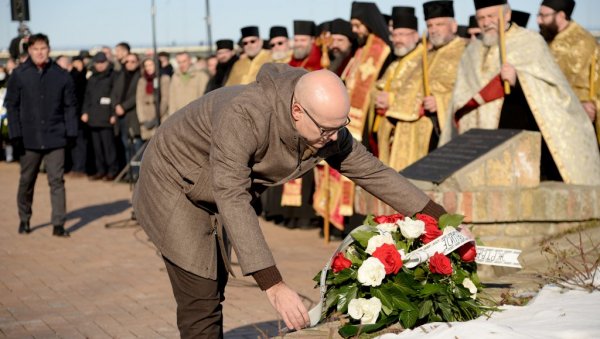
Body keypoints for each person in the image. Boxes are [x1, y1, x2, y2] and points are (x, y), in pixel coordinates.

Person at [132, 63, 448, 338]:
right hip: (174, 181)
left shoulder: (325, 122)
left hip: (217, 188)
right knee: (200, 294)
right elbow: (232, 194)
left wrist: (439, 220)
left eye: (341, 128)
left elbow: (372, 171)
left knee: (214, 286)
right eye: (327, 130)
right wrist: (274, 285)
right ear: (297, 111)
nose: (335, 138)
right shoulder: (245, 116)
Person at [441, 0, 600, 185]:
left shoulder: (529, 41)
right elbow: (460, 95)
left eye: (491, 16)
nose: (485, 22)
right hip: (478, 138)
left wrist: (520, 79)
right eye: (481, 18)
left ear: (507, 15)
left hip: (519, 127)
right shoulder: (472, 50)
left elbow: (553, 89)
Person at [5, 33, 77, 237]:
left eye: (43, 48)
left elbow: (70, 106)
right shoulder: (19, 74)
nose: (39, 52)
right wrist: (15, 135)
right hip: (28, 139)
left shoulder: (61, 75)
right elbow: (11, 105)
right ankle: (25, 218)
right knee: (27, 181)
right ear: (29, 51)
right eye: (35, 49)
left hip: (56, 137)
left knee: (57, 181)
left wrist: (71, 134)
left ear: (49, 50)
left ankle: (58, 223)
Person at [537, 0, 599, 142]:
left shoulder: (584, 42)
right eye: (538, 15)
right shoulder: (545, 40)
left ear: (561, 15)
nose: (538, 20)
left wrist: (589, 105)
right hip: (547, 116)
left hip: (577, 119)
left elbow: (593, 83)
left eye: (543, 15)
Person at [374, 7, 427, 170]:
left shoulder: (424, 59)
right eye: (395, 35)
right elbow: (378, 86)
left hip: (411, 131)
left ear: (415, 36)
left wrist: (390, 100)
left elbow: (420, 93)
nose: (397, 39)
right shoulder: (396, 62)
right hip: (388, 131)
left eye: (403, 34)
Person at [82, 52, 119, 181]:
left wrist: (113, 114)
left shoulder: (113, 76)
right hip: (93, 116)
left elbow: (115, 96)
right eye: (98, 63)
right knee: (97, 148)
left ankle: (112, 171)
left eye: (102, 62)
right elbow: (87, 96)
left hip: (107, 117)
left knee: (108, 147)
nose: (100, 65)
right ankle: (101, 170)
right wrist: (85, 112)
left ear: (107, 62)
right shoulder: (92, 78)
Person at [111, 53, 142, 169]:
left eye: (133, 61)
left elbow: (137, 96)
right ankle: (130, 174)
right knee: (126, 146)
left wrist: (124, 107)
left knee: (137, 146)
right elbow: (113, 94)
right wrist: (116, 107)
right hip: (121, 117)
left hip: (134, 116)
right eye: (127, 61)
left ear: (138, 63)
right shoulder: (120, 76)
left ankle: (138, 174)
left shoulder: (140, 77)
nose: (129, 64)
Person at [136, 57, 170, 141]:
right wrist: (143, 120)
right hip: (146, 120)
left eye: (151, 65)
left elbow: (165, 100)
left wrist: (156, 117)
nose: (148, 68)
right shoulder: (142, 80)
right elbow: (139, 101)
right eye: (146, 65)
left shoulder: (164, 79)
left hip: (160, 118)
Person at [167, 52, 209, 116]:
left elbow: (205, 97)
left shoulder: (201, 76)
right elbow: (172, 99)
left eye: (184, 61)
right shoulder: (175, 77)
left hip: (196, 116)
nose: (181, 64)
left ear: (190, 61)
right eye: (179, 62)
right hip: (179, 117)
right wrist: (172, 116)